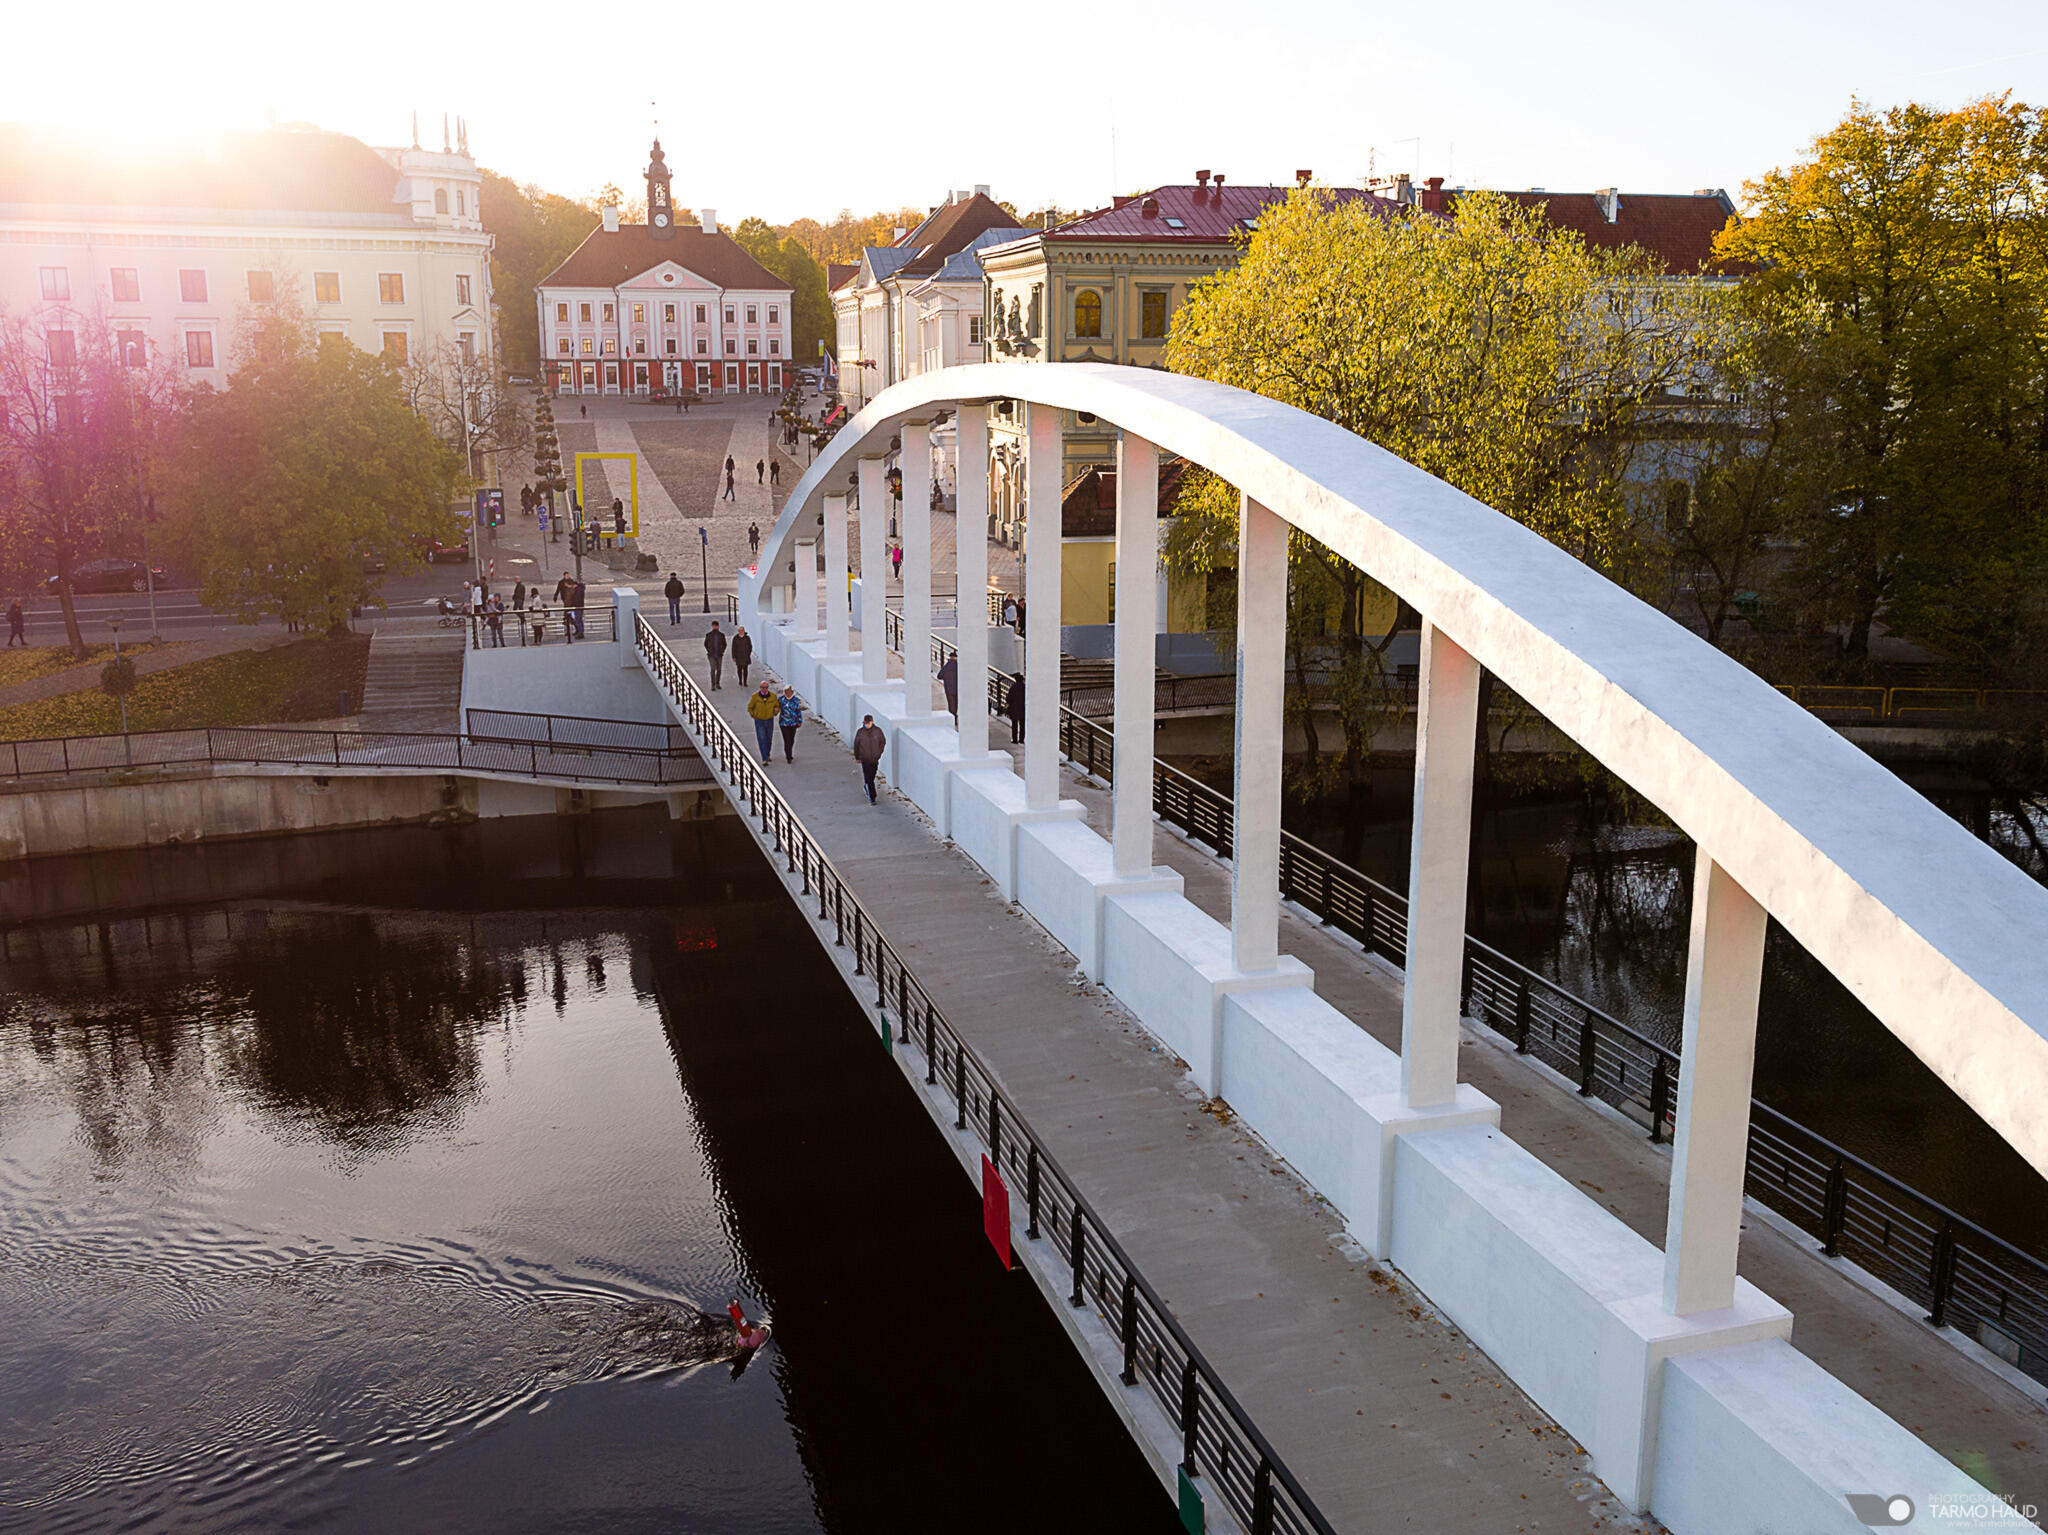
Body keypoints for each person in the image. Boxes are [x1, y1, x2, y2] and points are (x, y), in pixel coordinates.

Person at [852, 713, 887, 804]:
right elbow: (856, 745)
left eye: (868, 723)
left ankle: (867, 786)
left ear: (872, 722)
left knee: (871, 776)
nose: (867, 725)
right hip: (865, 759)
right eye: (865, 723)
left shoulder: (878, 731)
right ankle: (872, 797)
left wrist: (879, 753)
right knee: (868, 778)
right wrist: (857, 756)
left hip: (875, 759)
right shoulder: (860, 732)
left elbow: (882, 742)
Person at [746, 681, 778, 764]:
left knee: (769, 738)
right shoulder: (755, 697)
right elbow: (750, 707)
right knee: (762, 739)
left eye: (766, 687)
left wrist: (775, 712)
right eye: (762, 687)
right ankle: (764, 758)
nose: (764, 689)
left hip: (769, 720)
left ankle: (767, 754)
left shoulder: (773, 696)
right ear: (760, 688)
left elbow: (777, 706)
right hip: (759, 720)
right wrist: (754, 715)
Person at [776, 685, 805, 763]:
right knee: (787, 740)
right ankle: (788, 756)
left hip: (793, 723)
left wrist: (799, 721)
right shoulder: (781, 699)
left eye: (788, 691)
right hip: (784, 723)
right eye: (786, 692)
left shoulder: (795, 700)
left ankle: (790, 752)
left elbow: (798, 711)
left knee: (791, 739)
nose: (787, 693)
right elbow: (776, 707)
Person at [704, 621, 727, 688]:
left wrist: (722, 651)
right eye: (714, 626)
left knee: (719, 670)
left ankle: (717, 683)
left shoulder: (721, 635)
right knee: (713, 669)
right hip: (711, 655)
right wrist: (709, 651)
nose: (715, 627)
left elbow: (724, 644)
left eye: (716, 626)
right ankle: (713, 684)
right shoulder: (708, 635)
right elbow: (705, 644)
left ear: (718, 626)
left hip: (719, 655)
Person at [1005, 674, 1025, 743]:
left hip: (1014, 709)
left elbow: (1008, 699)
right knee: (1022, 725)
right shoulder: (1025, 687)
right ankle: (1021, 739)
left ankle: (1015, 739)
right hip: (1023, 709)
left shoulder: (1013, 687)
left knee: (1014, 725)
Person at [938, 653, 958, 722]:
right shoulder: (959, 666)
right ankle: (955, 716)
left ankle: (953, 718)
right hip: (958, 689)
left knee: (951, 704)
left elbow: (939, 676)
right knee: (956, 704)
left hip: (948, 689)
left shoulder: (946, 666)